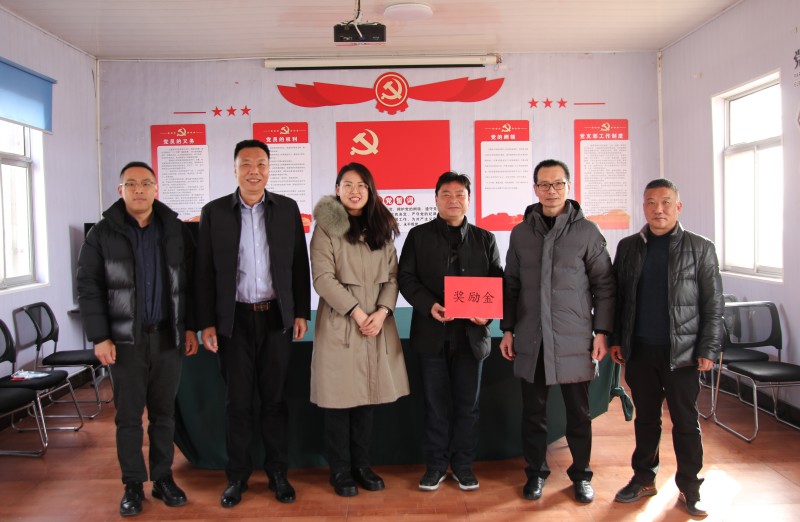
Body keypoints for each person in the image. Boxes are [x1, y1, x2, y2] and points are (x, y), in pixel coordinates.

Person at [77, 161, 198, 517]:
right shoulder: (102, 234)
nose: (139, 190)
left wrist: (190, 326)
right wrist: (100, 337)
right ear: (121, 191)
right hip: (125, 342)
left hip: (167, 338)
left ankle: (162, 478)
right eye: (131, 184)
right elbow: (88, 287)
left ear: (156, 189)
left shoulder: (175, 230)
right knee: (129, 417)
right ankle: (132, 484)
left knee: (164, 414)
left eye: (146, 183)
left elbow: (192, 282)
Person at [194, 139, 311, 508]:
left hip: (275, 317)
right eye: (245, 163)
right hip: (234, 321)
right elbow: (203, 272)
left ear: (269, 169)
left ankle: (278, 473)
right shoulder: (214, 212)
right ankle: (237, 477)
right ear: (234, 169)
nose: (254, 171)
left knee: (275, 401)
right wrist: (206, 322)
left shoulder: (287, 209)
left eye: (261, 163)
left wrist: (301, 312)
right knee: (238, 402)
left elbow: (299, 264)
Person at [499, 159, 614, 504]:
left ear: (568, 186)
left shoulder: (587, 232)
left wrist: (602, 331)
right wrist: (508, 329)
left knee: (579, 414)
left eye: (558, 184)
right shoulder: (521, 233)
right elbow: (511, 285)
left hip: (574, 338)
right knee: (533, 414)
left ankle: (581, 475)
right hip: (532, 337)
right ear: (535, 189)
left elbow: (605, 285)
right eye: (544, 184)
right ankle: (535, 473)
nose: (551, 191)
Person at [610, 178, 723, 518]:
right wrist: (617, 338)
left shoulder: (701, 248)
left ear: (678, 206)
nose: (658, 209)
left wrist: (709, 348)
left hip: (684, 354)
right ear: (643, 207)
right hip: (641, 350)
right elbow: (618, 299)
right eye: (651, 202)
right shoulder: (628, 247)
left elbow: (713, 303)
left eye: (665, 202)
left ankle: (690, 487)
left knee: (686, 422)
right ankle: (644, 478)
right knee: (646, 419)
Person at [398, 172, 503, 492]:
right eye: (446, 194)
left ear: (469, 200)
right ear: (436, 199)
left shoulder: (485, 238)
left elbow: (497, 281)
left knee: (468, 405)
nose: (453, 200)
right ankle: (434, 466)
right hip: (432, 334)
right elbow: (406, 278)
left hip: (471, 337)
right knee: (435, 405)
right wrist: (429, 305)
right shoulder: (418, 236)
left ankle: (463, 466)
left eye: (460, 194)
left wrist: (487, 315)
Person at [309, 163, 410, 497]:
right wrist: (356, 311)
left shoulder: (380, 226)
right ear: (337, 189)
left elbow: (392, 277)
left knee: (367, 397)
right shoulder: (326, 228)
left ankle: (362, 466)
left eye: (362, 185)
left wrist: (382, 312)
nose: (355, 191)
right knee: (339, 401)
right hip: (341, 321)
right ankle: (340, 470)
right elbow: (323, 278)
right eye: (348, 185)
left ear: (370, 190)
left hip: (376, 323)